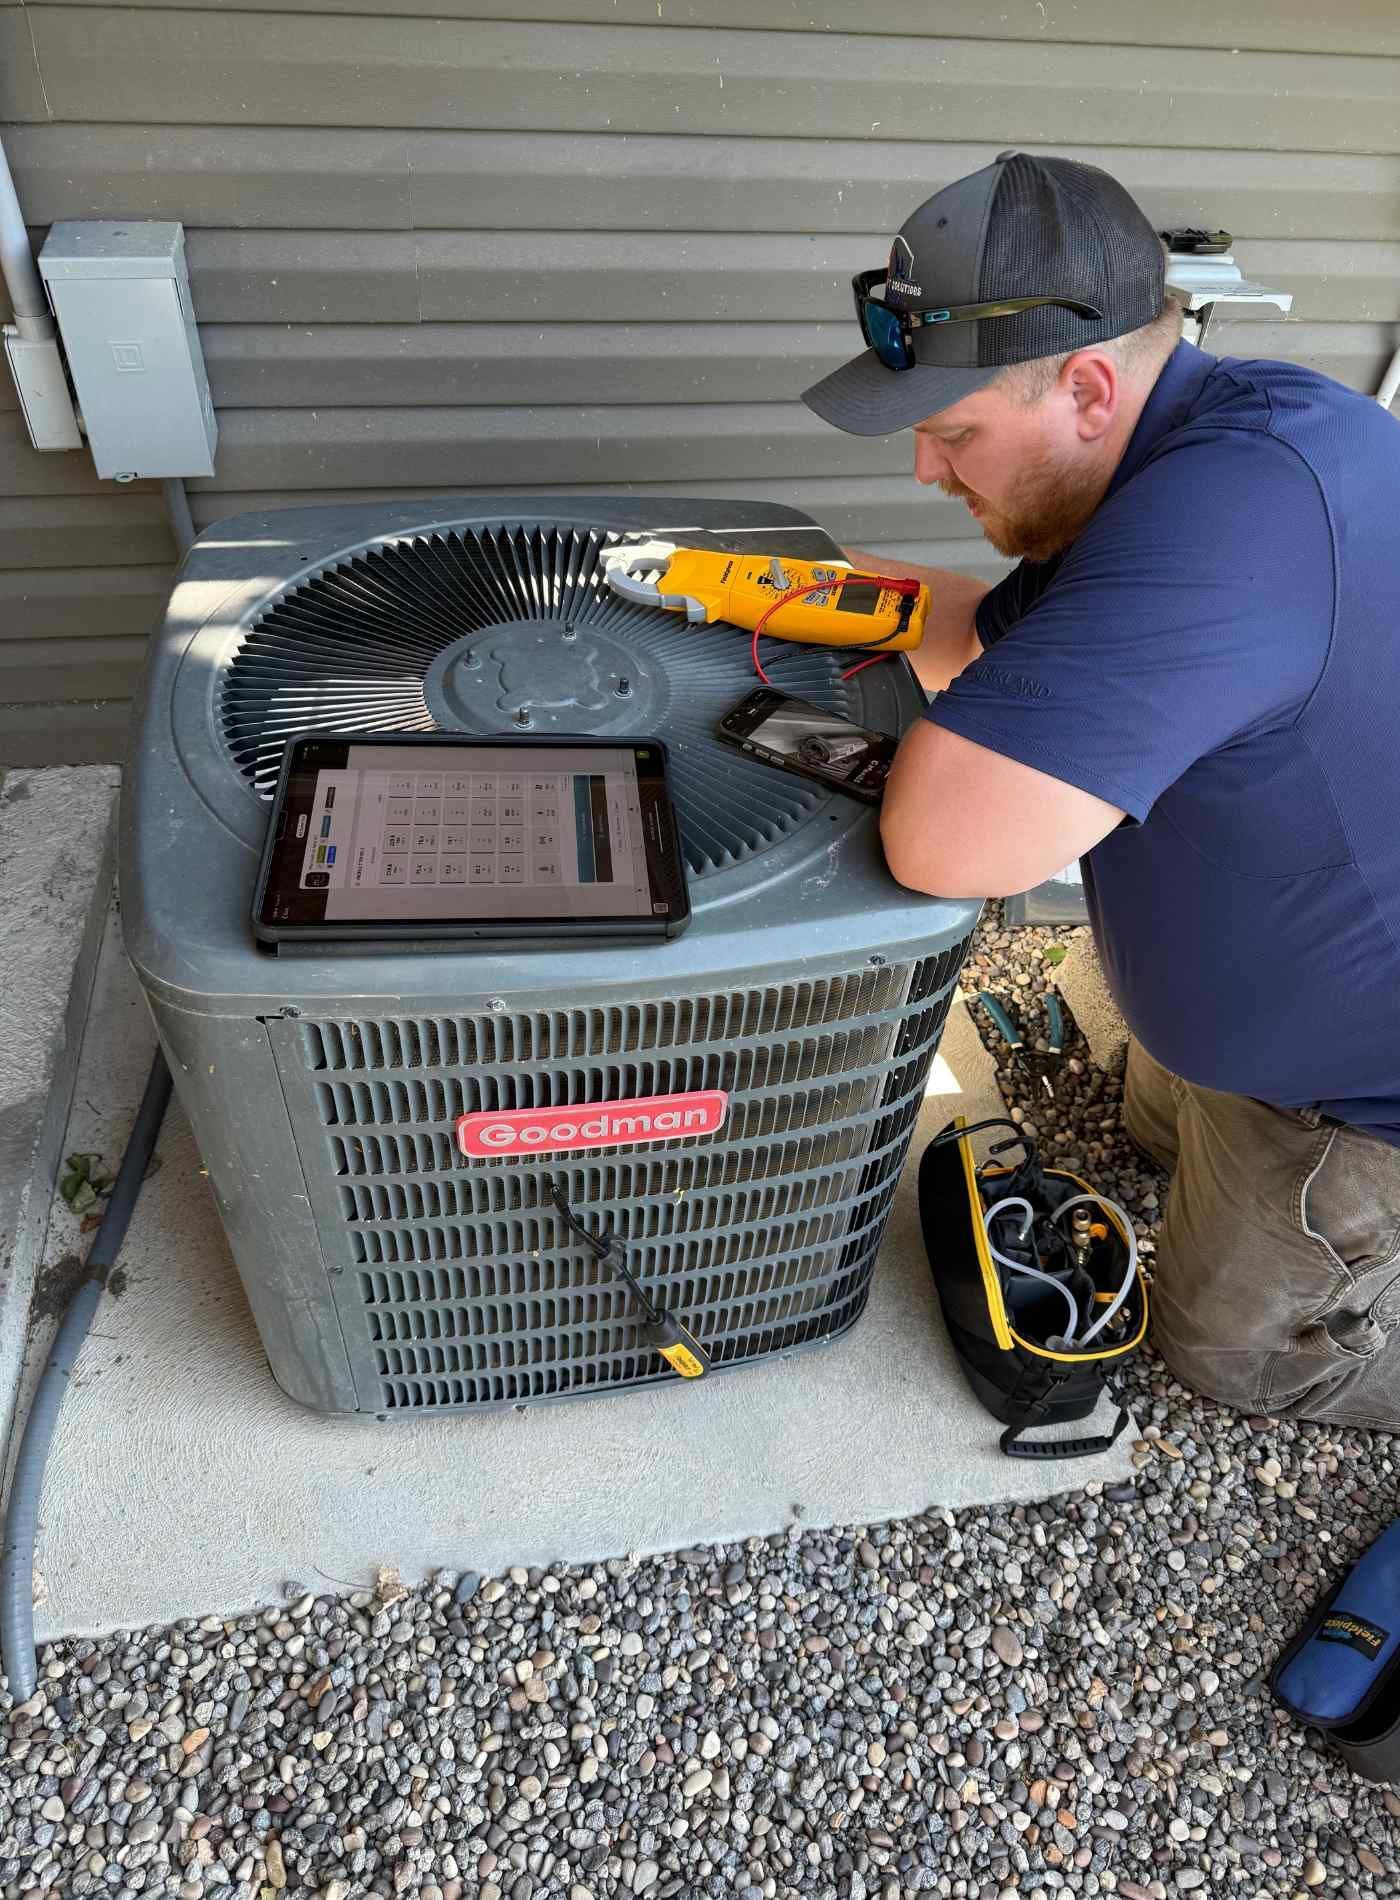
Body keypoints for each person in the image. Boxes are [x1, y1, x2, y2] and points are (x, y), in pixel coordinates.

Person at [802, 151, 1400, 1431]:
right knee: (1151, 1118)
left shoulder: (1229, 522)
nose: (924, 469)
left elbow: (943, 839)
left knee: (1237, 1352)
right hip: (1259, 997)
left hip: (1359, 1090)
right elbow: (971, 636)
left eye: (953, 432)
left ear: (1082, 385)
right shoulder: (1189, 450)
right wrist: (763, 576)